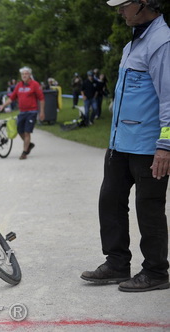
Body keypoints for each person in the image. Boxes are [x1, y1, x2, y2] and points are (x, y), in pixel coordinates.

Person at [81, 0, 170, 292]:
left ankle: (156, 272)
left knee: (149, 208)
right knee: (110, 201)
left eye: (123, 5)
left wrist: (165, 146)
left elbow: (169, 99)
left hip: (149, 146)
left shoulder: (162, 42)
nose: (118, 10)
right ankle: (117, 263)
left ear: (144, 3)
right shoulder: (133, 43)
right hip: (120, 144)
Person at [0, 66, 45, 160]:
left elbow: (41, 98)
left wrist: (42, 112)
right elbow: (12, 97)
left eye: (26, 74)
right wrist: (3, 105)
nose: (24, 75)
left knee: (27, 132)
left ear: (30, 75)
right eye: (23, 74)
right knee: (20, 131)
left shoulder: (34, 84)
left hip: (32, 111)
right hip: (22, 112)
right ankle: (29, 145)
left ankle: (24, 152)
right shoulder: (19, 85)